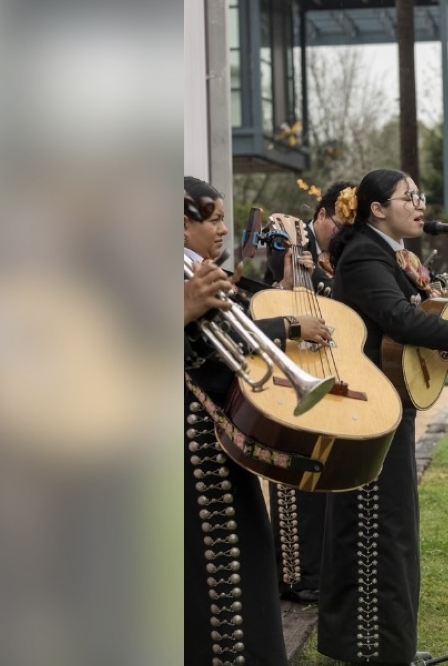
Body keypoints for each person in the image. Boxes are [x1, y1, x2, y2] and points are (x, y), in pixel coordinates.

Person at [317, 169, 448, 665]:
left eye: (420, 196)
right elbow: (399, 320)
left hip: (385, 403)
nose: (420, 205)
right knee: (378, 529)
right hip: (367, 408)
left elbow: (409, 321)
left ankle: (385, 644)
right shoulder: (364, 256)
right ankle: (373, 649)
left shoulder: (387, 255)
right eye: (409, 197)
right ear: (378, 208)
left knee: (390, 527)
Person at [183, 176, 329, 666]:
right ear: (181, 224)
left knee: (241, 585)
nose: (224, 228)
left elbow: (236, 330)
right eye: (215, 218)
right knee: (206, 595)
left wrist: (284, 292)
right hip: (184, 461)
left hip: (220, 443)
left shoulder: (200, 272)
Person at [261, 179, 354, 605]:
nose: (343, 230)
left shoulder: (339, 258)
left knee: (326, 473)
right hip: (291, 364)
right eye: (339, 221)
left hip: (328, 365)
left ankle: (320, 570)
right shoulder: (290, 243)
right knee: (293, 478)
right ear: (319, 216)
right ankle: (297, 575)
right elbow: (279, 293)